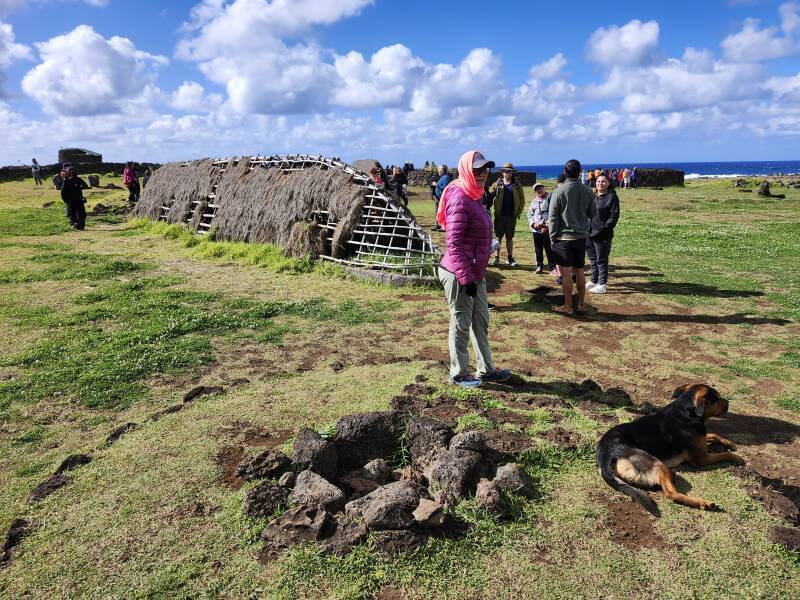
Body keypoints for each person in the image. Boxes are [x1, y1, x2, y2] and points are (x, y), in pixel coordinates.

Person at [437, 150, 510, 388]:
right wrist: (466, 279)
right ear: (467, 169)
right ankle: (458, 373)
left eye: (486, 169)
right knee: (461, 322)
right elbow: (454, 244)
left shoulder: (475, 195)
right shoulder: (459, 197)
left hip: (475, 271)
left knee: (481, 320)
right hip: (459, 273)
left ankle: (486, 369)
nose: (483, 174)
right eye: (478, 170)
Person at [548, 159, 596, 315]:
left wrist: (552, 236)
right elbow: (592, 213)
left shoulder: (559, 191)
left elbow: (553, 217)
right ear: (580, 172)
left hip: (564, 238)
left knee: (567, 273)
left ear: (564, 172)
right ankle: (581, 304)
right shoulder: (587, 190)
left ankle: (568, 306)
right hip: (581, 237)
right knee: (580, 271)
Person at [586, 173, 620, 295]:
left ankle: (602, 284)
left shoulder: (612, 197)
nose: (600, 183)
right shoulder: (593, 196)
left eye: (603, 181)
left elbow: (614, 215)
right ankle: (593, 280)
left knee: (601, 259)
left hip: (602, 234)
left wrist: (604, 228)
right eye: (598, 181)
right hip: (589, 233)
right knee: (592, 259)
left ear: (608, 183)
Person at [490, 163, 525, 266]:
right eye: (506, 171)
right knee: (498, 237)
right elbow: (489, 197)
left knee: (509, 238)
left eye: (510, 172)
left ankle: (510, 258)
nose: (508, 174)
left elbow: (522, 200)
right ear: (502, 172)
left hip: (511, 216)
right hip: (499, 216)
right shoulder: (496, 184)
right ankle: (496, 258)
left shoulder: (517, 184)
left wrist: (517, 212)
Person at [527, 184, 554, 274]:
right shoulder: (534, 201)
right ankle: (539, 266)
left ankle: (552, 266)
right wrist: (533, 224)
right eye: (537, 190)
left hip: (547, 229)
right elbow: (530, 214)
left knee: (549, 248)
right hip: (536, 230)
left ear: (544, 188)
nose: (539, 191)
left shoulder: (551, 199)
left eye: (540, 188)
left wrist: (547, 226)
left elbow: (554, 214)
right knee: (538, 249)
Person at [432, 164, 451, 231]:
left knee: (442, 211)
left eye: (439, 169)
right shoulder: (442, 177)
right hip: (438, 197)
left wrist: (436, 184)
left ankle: (444, 226)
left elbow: (445, 188)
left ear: (442, 170)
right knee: (437, 211)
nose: (438, 170)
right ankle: (437, 225)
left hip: (442, 198)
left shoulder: (446, 177)